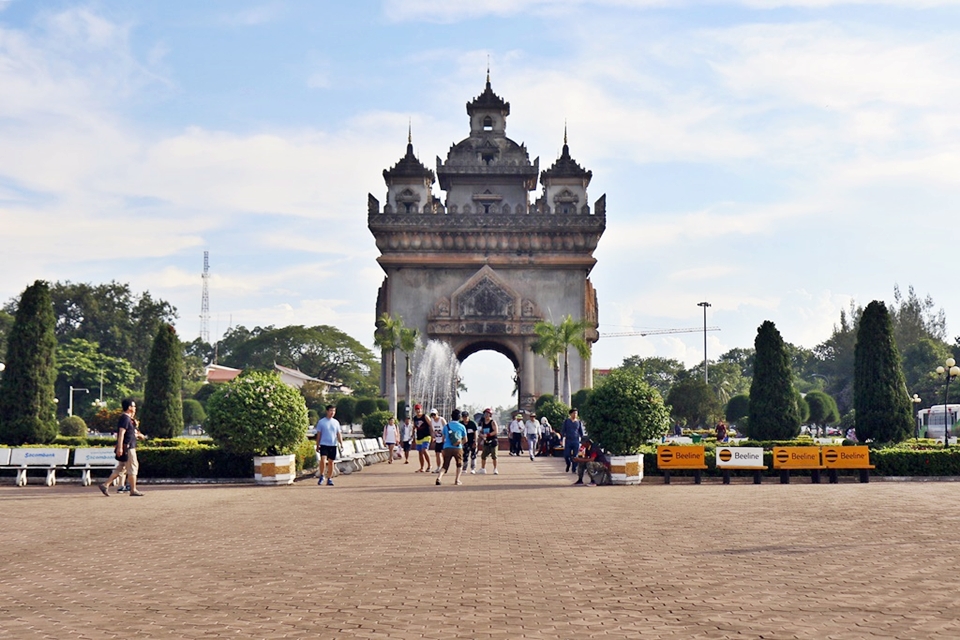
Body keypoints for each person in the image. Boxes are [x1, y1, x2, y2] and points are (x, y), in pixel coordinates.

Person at [99, 399, 146, 497]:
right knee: (133, 467)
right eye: (133, 406)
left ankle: (105, 484)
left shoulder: (129, 420)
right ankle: (133, 489)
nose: (135, 408)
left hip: (127, 446)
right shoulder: (125, 418)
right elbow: (121, 433)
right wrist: (120, 447)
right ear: (129, 407)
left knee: (121, 468)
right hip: (128, 447)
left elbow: (132, 433)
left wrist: (137, 432)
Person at [436, 409, 467, 486]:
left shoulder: (446, 426)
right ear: (459, 417)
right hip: (458, 448)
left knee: (445, 465)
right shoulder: (462, 426)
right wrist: (460, 444)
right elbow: (466, 439)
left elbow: (443, 439)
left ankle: (439, 478)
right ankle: (457, 480)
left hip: (447, 447)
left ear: (451, 417)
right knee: (459, 464)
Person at [316, 404, 343, 486]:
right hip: (324, 444)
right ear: (327, 411)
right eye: (331, 410)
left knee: (331, 462)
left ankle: (329, 478)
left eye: (334, 411)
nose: (332, 412)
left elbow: (338, 433)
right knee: (323, 460)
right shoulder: (321, 422)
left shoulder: (336, 422)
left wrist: (341, 443)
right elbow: (319, 434)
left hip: (333, 444)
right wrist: (317, 445)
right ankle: (322, 475)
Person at [562, 408, 584, 473]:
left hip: (576, 440)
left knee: (575, 456)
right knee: (566, 455)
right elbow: (563, 430)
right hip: (568, 440)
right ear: (570, 414)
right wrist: (561, 438)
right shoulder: (566, 421)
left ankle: (574, 468)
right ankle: (568, 464)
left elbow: (581, 432)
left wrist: (582, 440)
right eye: (574, 413)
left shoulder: (579, 422)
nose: (575, 415)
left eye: (576, 413)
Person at [478, 408, 499, 475]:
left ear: (490, 415)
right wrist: (481, 435)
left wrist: (488, 435)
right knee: (483, 456)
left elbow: (496, 431)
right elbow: (480, 431)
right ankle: (483, 468)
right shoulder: (482, 422)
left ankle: (495, 469)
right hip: (486, 441)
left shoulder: (492, 422)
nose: (486, 415)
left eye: (488, 414)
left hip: (493, 441)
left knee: (494, 456)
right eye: (485, 414)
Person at [412, 404, 433, 472]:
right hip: (419, 437)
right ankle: (422, 467)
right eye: (416, 409)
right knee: (420, 452)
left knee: (424, 450)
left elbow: (431, 425)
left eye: (419, 409)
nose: (418, 410)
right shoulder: (415, 418)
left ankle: (429, 465)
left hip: (426, 435)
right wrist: (413, 435)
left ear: (421, 409)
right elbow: (414, 427)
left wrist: (433, 434)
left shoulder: (425, 416)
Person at [429, 408, 447, 473]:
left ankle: (444, 467)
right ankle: (438, 467)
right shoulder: (432, 421)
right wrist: (432, 436)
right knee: (437, 454)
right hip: (437, 439)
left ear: (437, 414)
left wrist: (444, 437)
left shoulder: (441, 420)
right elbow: (432, 430)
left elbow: (446, 428)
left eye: (434, 414)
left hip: (443, 440)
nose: (433, 416)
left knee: (443, 454)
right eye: (432, 415)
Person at [461, 409, 478, 473]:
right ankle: (464, 468)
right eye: (463, 417)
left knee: (473, 455)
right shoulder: (461, 423)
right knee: (465, 455)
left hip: (472, 441)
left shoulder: (472, 423)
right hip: (465, 441)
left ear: (468, 416)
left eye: (466, 416)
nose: (465, 418)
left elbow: (475, 433)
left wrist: (475, 441)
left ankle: (473, 468)